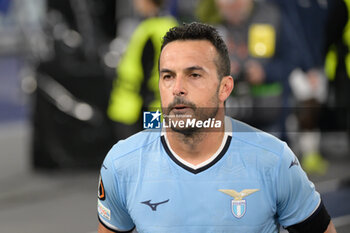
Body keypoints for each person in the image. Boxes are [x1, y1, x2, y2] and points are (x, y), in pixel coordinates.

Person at [97, 22, 336, 233]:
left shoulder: (274, 160)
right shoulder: (122, 163)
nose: (177, 88)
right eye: (167, 76)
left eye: (194, 75)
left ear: (225, 88)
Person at [107, 0, 177, 140]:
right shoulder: (167, 25)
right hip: (152, 106)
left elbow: (148, 70)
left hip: (142, 107)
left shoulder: (151, 30)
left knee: (144, 152)